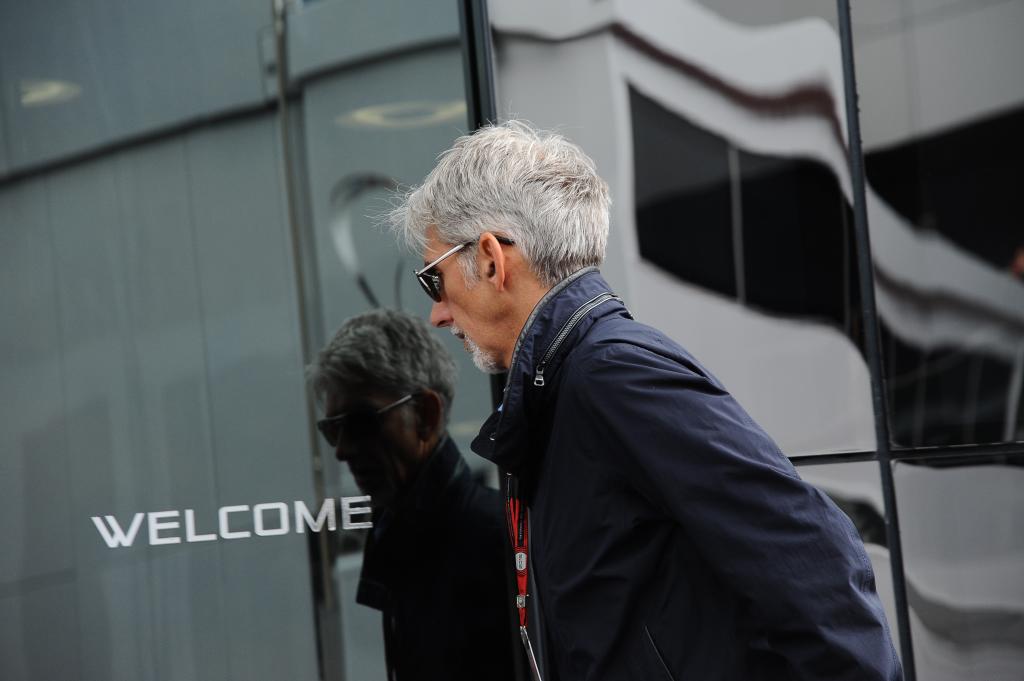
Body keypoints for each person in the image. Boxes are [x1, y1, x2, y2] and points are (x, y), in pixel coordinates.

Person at [390, 121, 903, 680]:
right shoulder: (565, 386)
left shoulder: (611, 373)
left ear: (490, 258)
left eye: (432, 280)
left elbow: (812, 558)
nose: (437, 313)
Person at [307, 309, 516, 681]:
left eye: (358, 423)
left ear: (424, 413)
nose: (341, 450)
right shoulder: (401, 534)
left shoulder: (497, 542)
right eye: (332, 430)